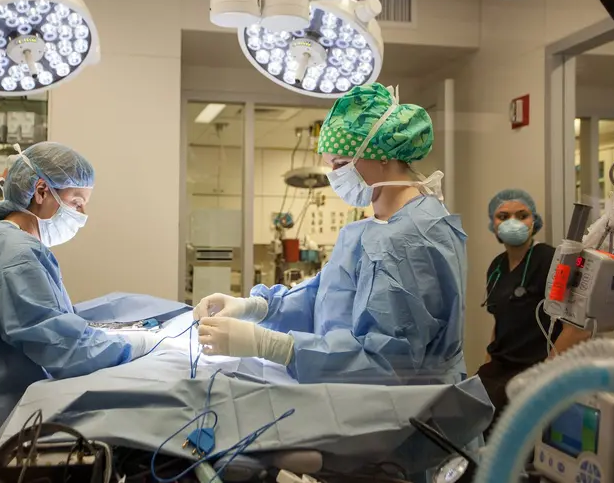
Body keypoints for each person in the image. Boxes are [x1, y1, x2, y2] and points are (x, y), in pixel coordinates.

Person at [0, 143, 184, 483]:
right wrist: (140, 344)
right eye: (76, 202)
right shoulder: (17, 257)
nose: (81, 215)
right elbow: (62, 348)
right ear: (41, 190)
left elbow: (42, 319)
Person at [194, 84, 468, 385]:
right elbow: (324, 296)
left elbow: (388, 361)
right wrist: (254, 307)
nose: (335, 176)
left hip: (407, 418)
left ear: (382, 155)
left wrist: (274, 347)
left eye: (340, 164)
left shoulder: (413, 238)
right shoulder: (371, 229)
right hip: (358, 402)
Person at [475, 189, 559, 438]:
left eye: (522, 215)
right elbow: (498, 322)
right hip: (500, 366)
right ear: (494, 224)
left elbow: (575, 327)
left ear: (535, 222)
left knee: (502, 436)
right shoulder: (496, 267)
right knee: (467, 414)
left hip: (536, 368)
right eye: (503, 216)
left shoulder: (549, 260)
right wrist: (487, 365)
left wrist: (544, 376)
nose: (513, 222)